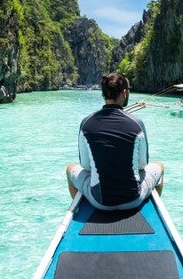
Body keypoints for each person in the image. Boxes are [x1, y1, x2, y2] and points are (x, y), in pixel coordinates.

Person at [66, 73, 164, 210]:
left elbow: (86, 166)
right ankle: (152, 210)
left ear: (104, 94)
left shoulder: (86, 123)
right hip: (134, 200)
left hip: (100, 202)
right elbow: (143, 165)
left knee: (70, 168)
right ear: (124, 92)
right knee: (159, 166)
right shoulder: (137, 123)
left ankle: (82, 210)